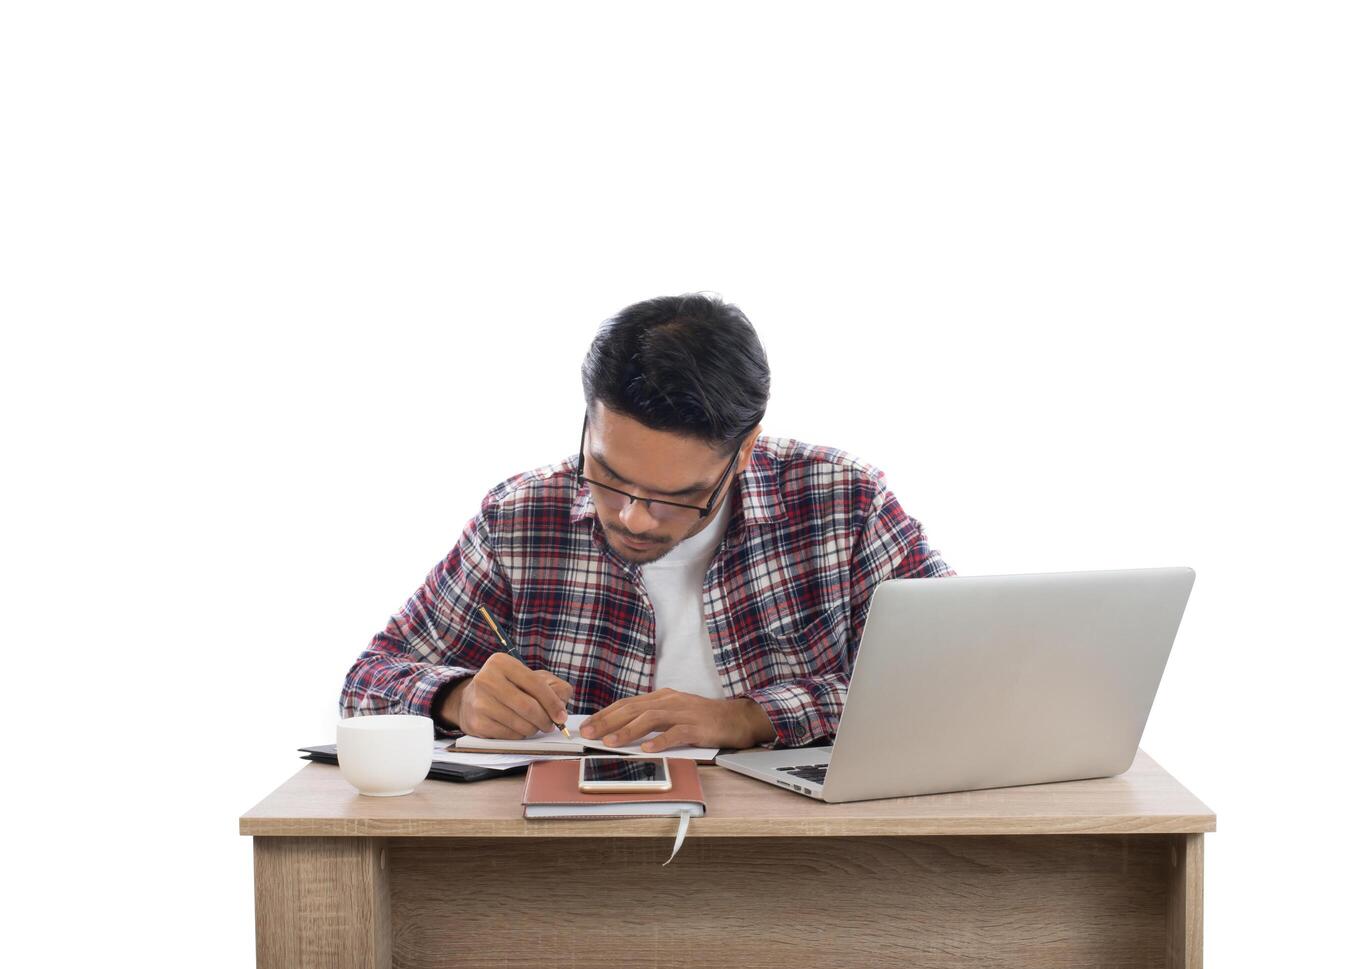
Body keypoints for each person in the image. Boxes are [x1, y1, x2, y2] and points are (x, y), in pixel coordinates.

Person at [339, 293, 955, 752]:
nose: (632, 516)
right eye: (607, 474)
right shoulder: (521, 518)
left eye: (674, 496)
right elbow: (366, 686)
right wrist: (457, 698)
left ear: (743, 452)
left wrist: (749, 717)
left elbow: (955, 679)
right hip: (568, 865)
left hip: (805, 855)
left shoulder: (844, 502)